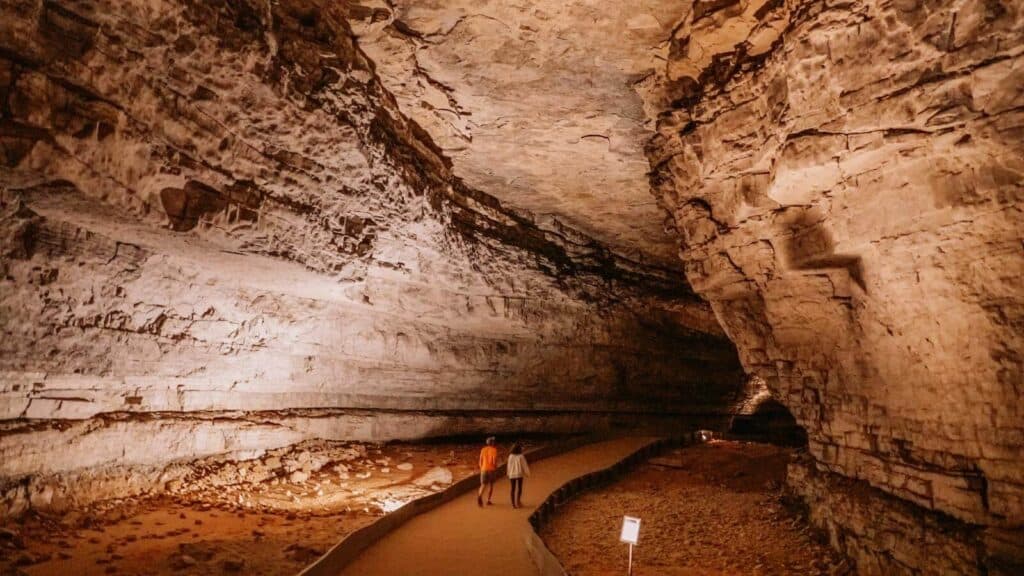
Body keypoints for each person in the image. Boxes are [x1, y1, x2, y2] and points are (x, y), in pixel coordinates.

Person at [507, 443, 530, 509]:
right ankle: (518, 501)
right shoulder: (521, 456)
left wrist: (508, 473)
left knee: (512, 489)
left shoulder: (510, 456)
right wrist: (527, 473)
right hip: (519, 474)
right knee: (519, 488)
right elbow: (524, 466)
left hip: (512, 474)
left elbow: (509, 466)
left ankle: (513, 504)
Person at [477, 436, 498, 507]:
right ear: (492, 443)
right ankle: (488, 500)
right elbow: (494, 461)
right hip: (491, 470)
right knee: (491, 485)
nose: (494, 442)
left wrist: (482, 468)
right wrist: (495, 467)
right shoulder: (494, 450)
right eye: (493, 441)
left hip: (483, 469)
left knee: (483, 485)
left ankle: (479, 496)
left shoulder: (483, 449)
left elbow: (480, 461)